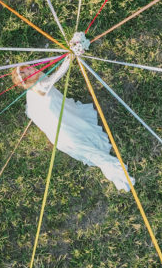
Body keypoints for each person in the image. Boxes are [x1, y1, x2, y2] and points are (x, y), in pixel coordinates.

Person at [12, 58, 130, 191]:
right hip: (62, 126)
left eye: (27, 68)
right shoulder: (41, 85)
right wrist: (70, 58)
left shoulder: (36, 81)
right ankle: (116, 172)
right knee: (85, 144)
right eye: (28, 72)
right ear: (28, 81)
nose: (31, 69)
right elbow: (58, 75)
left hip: (58, 115)